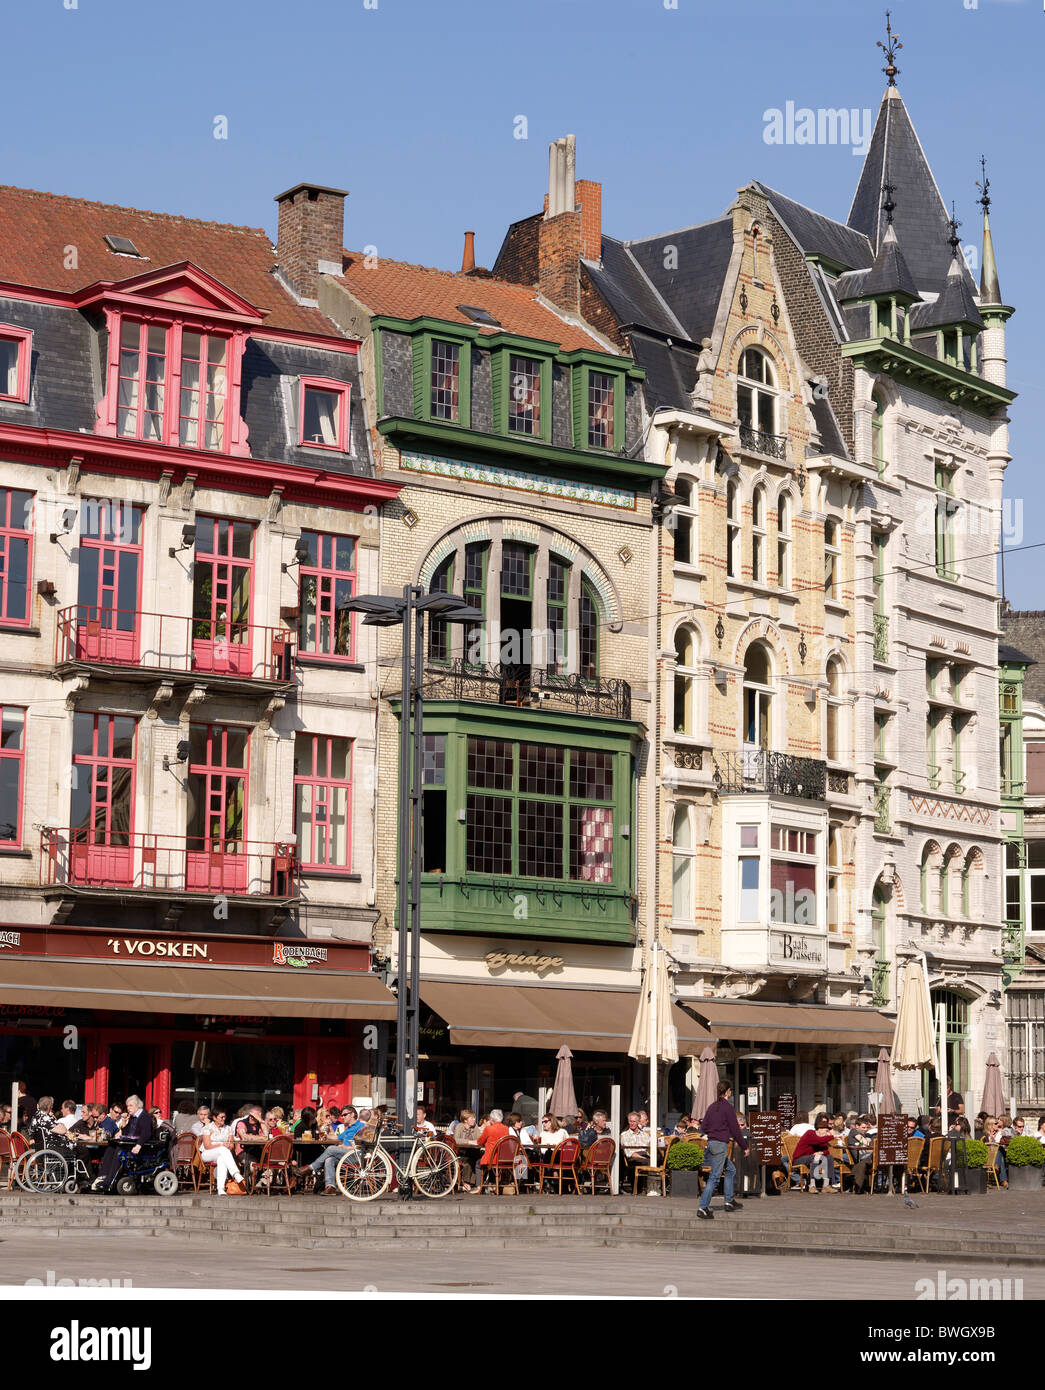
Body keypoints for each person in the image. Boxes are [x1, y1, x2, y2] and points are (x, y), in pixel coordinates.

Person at [697, 1082, 748, 1219]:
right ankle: (703, 1208)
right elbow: (735, 1130)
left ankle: (729, 1201)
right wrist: (744, 1146)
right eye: (730, 1090)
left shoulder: (712, 1107)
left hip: (711, 1143)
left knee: (731, 1169)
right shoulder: (728, 1108)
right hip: (720, 1144)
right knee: (714, 1176)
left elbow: (704, 1127)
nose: (731, 1092)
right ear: (727, 1092)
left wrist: (714, 1131)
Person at [91, 1095, 153, 1190]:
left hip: (140, 1146)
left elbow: (146, 1133)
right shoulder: (133, 1117)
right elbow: (127, 1130)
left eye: (130, 1105)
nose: (128, 1108)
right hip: (129, 1143)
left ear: (138, 1106)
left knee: (119, 1151)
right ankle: (102, 1176)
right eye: (127, 1106)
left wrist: (139, 1145)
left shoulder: (144, 1117)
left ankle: (109, 1180)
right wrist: (120, 1132)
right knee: (111, 1147)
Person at [301, 1106, 364, 1194]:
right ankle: (330, 1187)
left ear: (352, 1114)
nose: (342, 1117)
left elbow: (363, 1145)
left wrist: (347, 1147)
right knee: (329, 1159)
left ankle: (311, 1168)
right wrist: (325, 1135)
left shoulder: (361, 1126)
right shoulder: (349, 1128)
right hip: (346, 1155)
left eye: (345, 1115)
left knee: (331, 1149)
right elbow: (337, 1137)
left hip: (356, 1155)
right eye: (342, 1115)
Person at [197, 1108, 244, 1195]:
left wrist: (228, 1146)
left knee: (221, 1159)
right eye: (221, 1117)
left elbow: (231, 1146)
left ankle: (220, 1189)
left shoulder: (228, 1128)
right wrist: (221, 1145)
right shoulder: (207, 1128)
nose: (224, 1119)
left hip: (223, 1154)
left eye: (224, 1117)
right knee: (222, 1149)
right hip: (207, 1153)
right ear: (214, 1118)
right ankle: (235, 1173)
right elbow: (207, 1146)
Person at [792, 1114, 838, 1192]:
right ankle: (812, 1185)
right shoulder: (810, 1133)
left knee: (829, 1157)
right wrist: (833, 1136)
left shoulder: (822, 1138)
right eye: (826, 1131)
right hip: (799, 1159)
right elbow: (818, 1140)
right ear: (820, 1129)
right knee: (816, 1157)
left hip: (811, 1158)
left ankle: (826, 1185)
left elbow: (826, 1151)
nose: (827, 1133)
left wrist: (821, 1152)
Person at [474, 1109, 510, 1193]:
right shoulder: (506, 1129)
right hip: (501, 1158)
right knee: (493, 1165)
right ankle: (492, 1185)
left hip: (490, 1158)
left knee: (478, 1164)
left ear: (491, 1119)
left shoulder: (489, 1129)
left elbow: (479, 1142)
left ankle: (479, 1186)